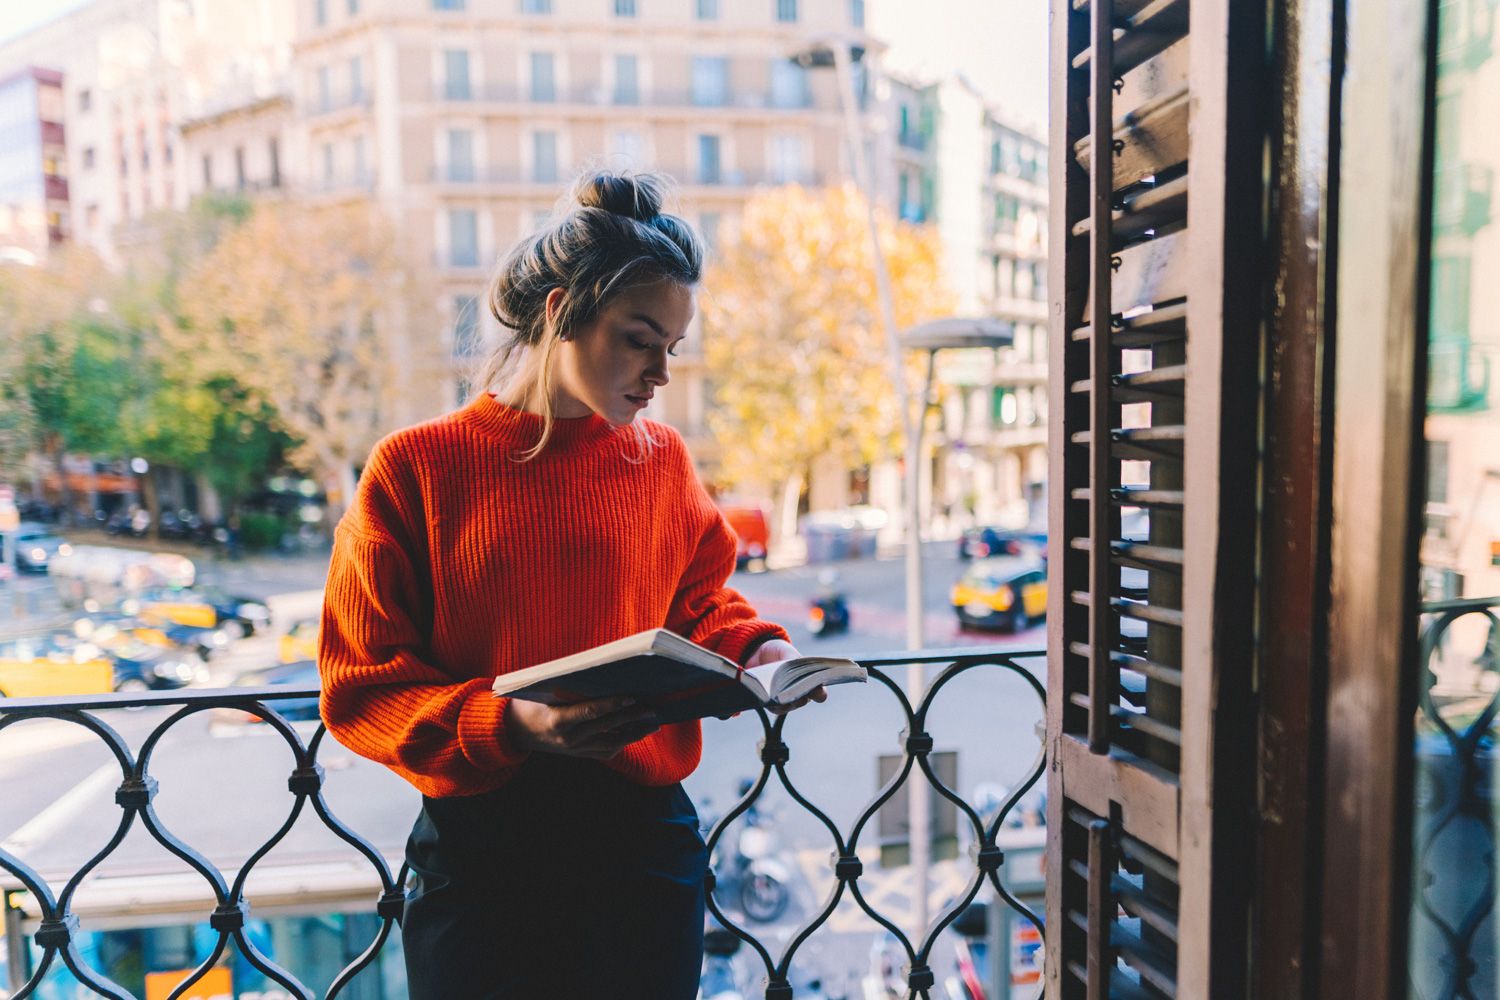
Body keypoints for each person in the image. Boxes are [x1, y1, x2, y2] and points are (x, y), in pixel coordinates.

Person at [316, 169, 823, 1000]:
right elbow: (362, 687)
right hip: (484, 861)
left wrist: (760, 649)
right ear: (561, 313)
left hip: (640, 855)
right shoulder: (417, 468)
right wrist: (512, 724)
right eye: (639, 338)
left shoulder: (661, 462)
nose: (662, 372)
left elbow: (699, 605)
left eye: (672, 347)